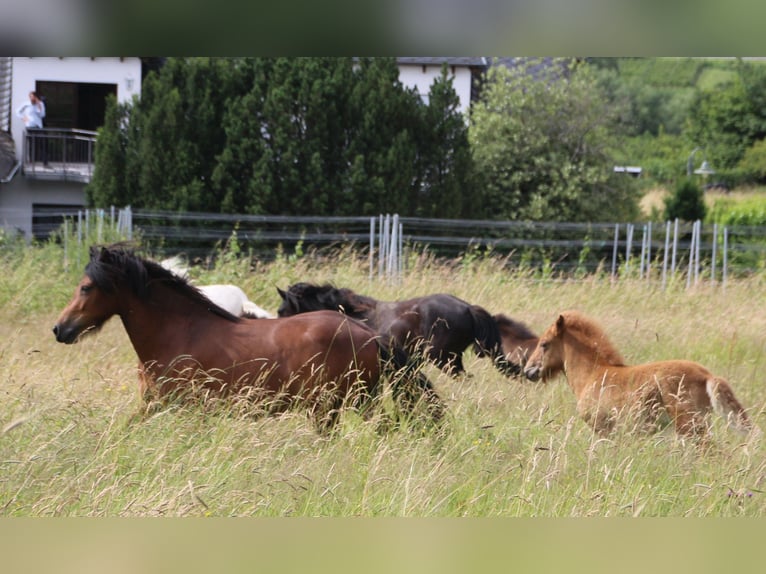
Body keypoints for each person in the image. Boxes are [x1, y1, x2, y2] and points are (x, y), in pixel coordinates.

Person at [16, 91, 47, 165]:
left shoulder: (40, 104)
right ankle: (31, 161)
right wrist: (23, 118)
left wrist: (39, 106)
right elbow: (17, 111)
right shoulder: (26, 104)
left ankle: (44, 161)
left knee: (41, 143)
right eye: (30, 97)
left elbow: (42, 115)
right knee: (31, 144)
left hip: (38, 126)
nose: (32, 98)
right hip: (29, 126)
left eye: (33, 97)